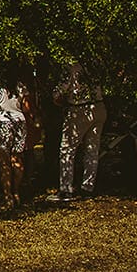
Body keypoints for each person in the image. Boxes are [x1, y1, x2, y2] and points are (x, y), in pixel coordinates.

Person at [51, 61, 105, 201]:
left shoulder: (70, 66)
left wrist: (57, 99)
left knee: (67, 149)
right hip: (98, 106)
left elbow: (60, 91)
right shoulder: (95, 64)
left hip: (79, 109)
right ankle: (88, 186)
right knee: (92, 149)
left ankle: (66, 188)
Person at [0, 71, 32, 209]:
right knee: (17, 158)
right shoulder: (20, 86)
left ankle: (7, 195)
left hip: (2, 122)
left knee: (3, 161)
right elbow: (27, 107)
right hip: (19, 121)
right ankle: (16, 191)